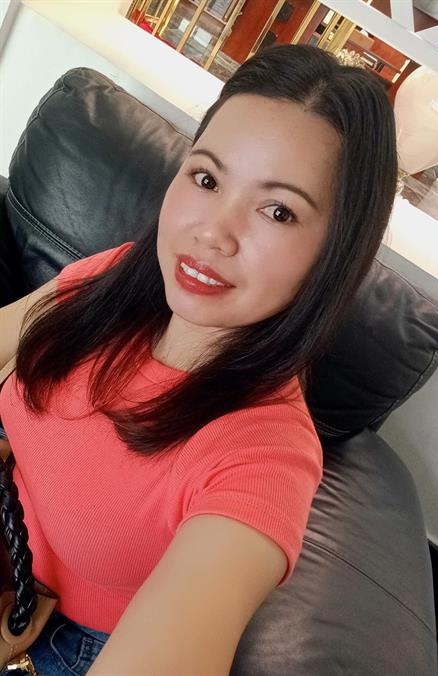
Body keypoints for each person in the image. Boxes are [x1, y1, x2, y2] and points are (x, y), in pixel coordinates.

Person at [0, 43, 397, 675]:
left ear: (335, 252)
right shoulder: (115, 275)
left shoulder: (263, 455)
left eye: (278, 211)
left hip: (60, 645)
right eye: (207, 179)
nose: (212, 232)